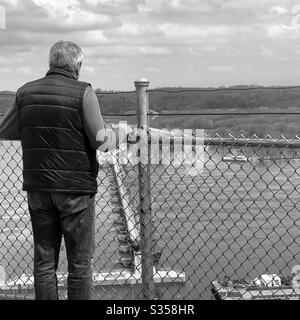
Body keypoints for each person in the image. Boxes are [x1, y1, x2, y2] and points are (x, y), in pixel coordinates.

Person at [0, 40, 132, 300]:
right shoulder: (84, 92)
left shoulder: (25, 92)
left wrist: (35, 128)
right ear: (77, 65)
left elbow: (5, 130)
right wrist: (124, 132)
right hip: (75, 190)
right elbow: (101, 141)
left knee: (45, 262)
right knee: (80, 265)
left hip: (38, 188)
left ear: (51, 63)